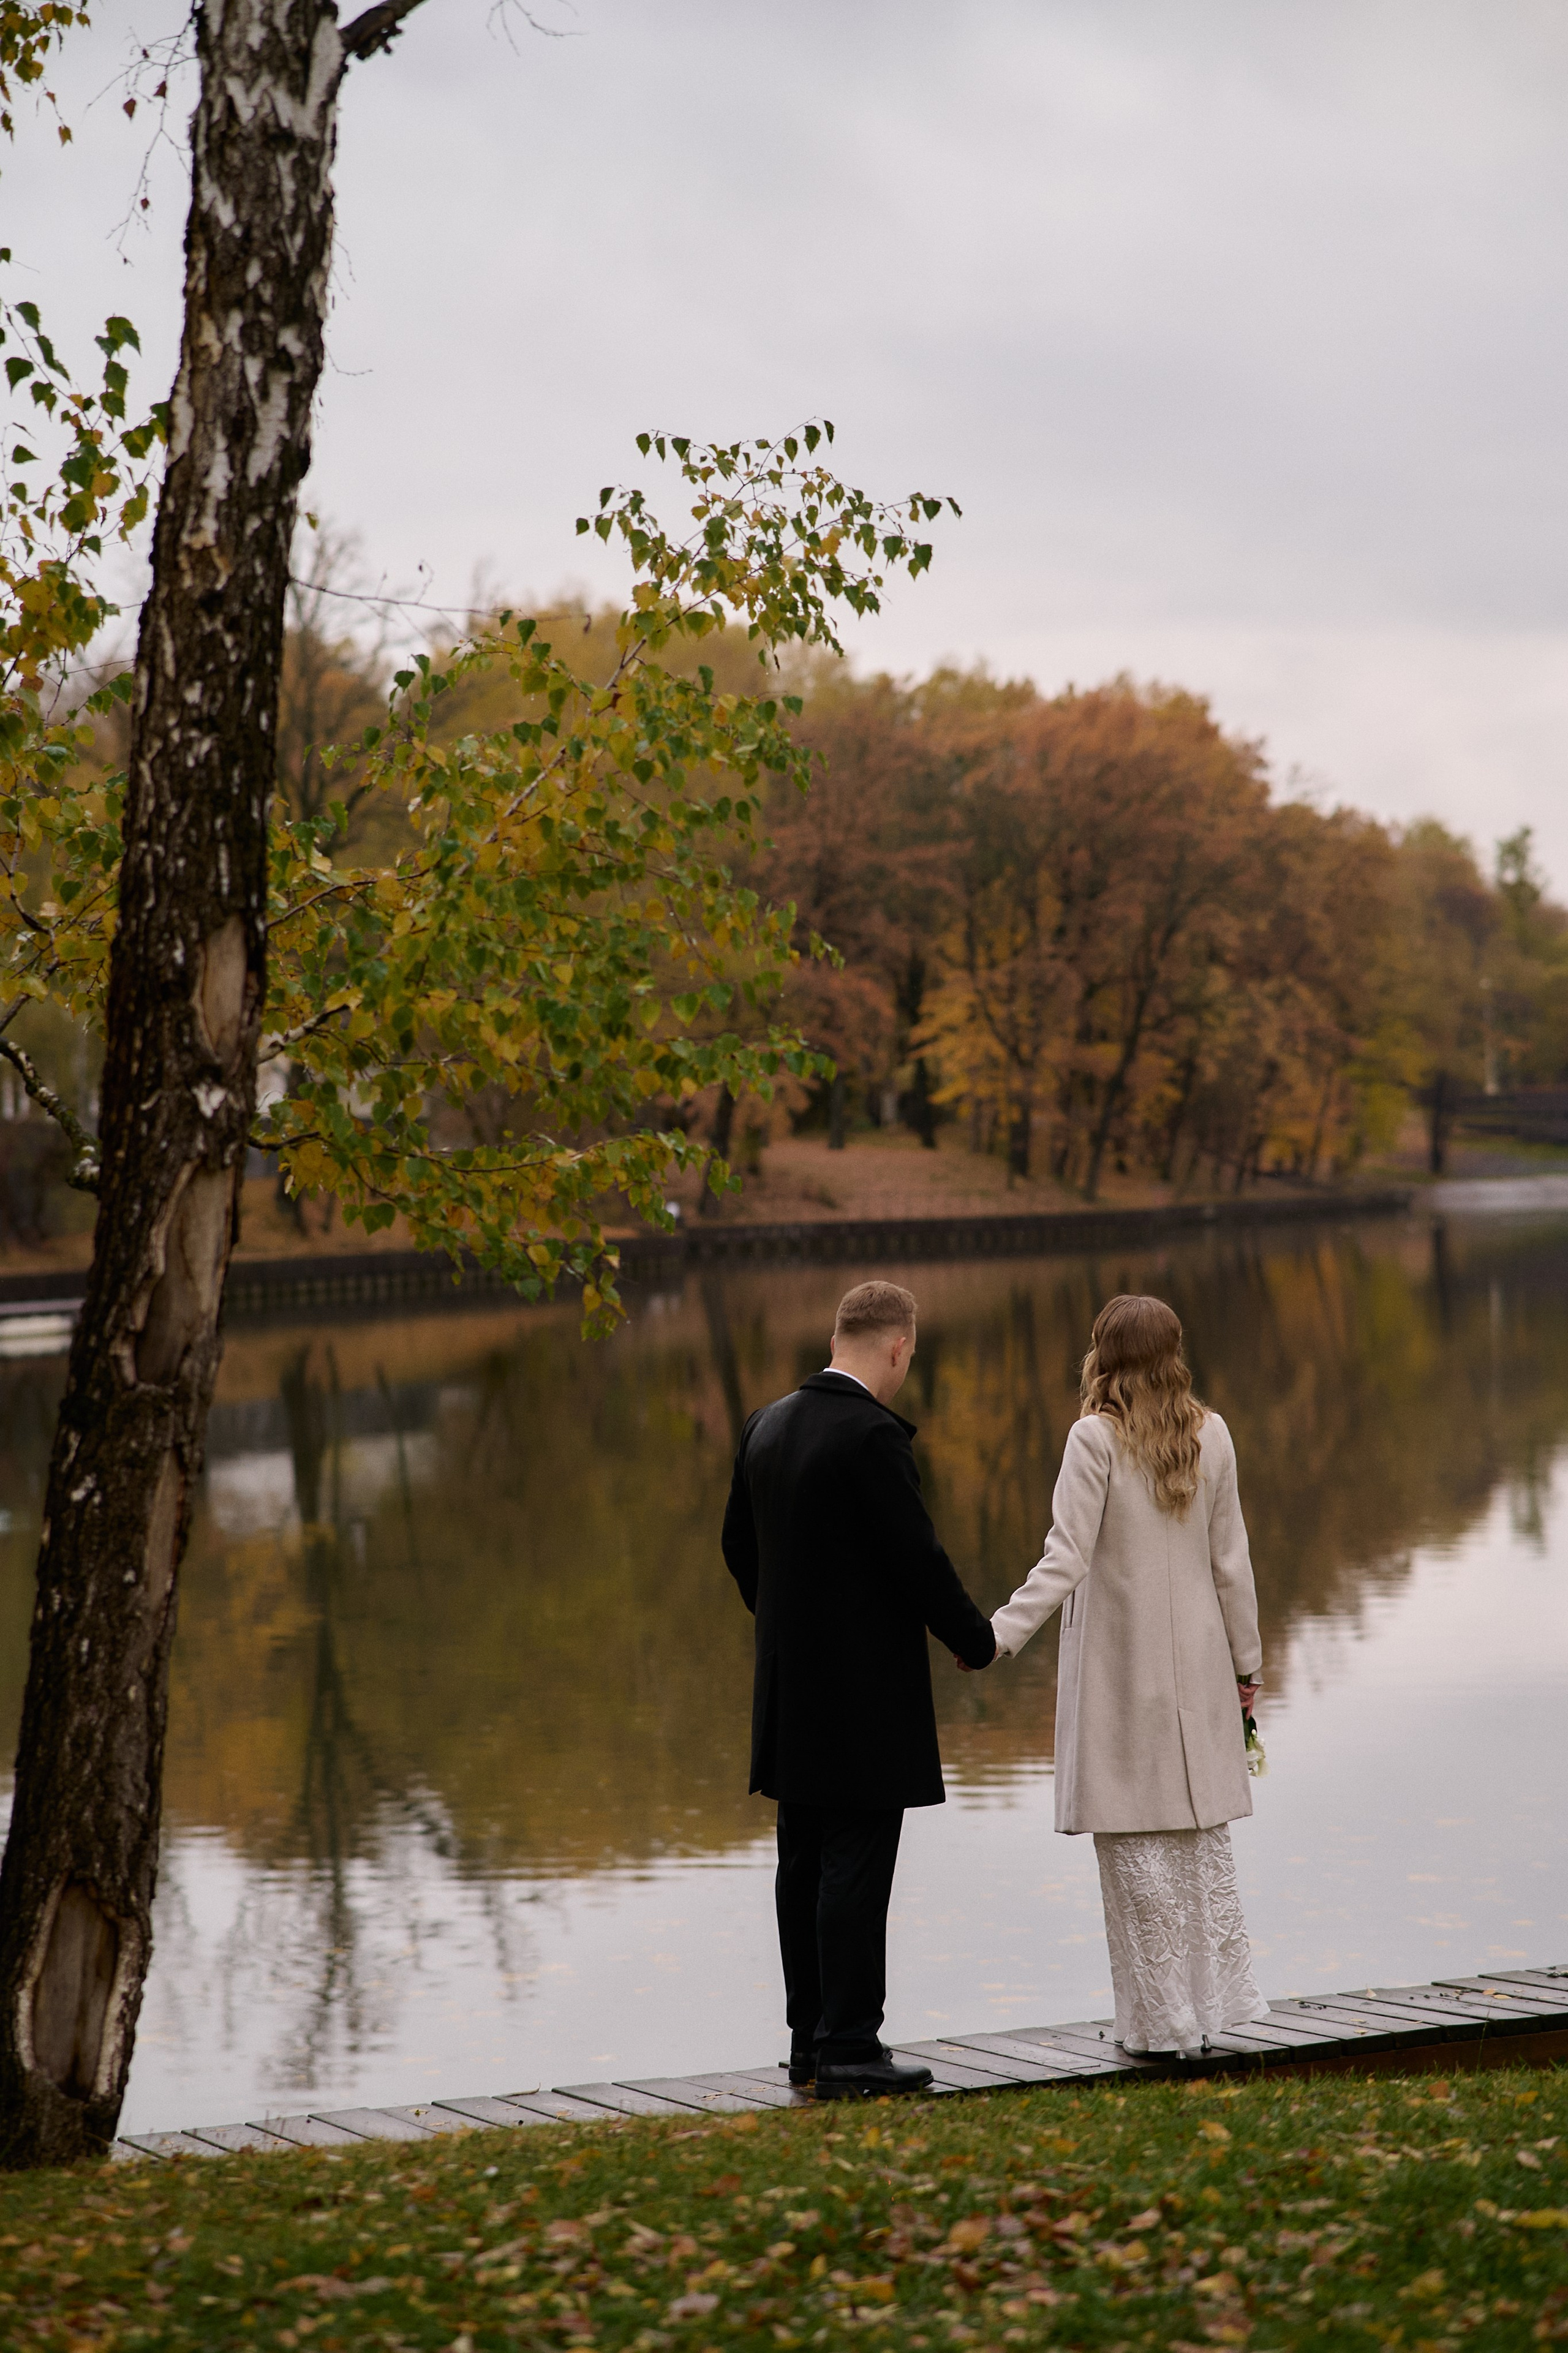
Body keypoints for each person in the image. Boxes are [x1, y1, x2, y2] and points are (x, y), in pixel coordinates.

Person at [722, 1278, 997, 2099]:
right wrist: (975, 1641)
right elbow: (917, 1559)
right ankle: (850, 2046)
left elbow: (741, 1550)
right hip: (862, 1697)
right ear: (898, 1347)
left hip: (786, 1687)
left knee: (801, 1862)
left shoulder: (763, 1424)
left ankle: (808, 2042)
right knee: (854, 1863)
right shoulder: (871, 1436)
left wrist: (789, 1627)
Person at [982, 1292, 1269, 2056]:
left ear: (1102, 1354)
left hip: (1121, 1669)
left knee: (1136, 1852)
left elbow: (1064, 1556)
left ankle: (1158, 2025)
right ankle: (1203, 2014)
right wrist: (1248, 1666)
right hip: (1200, 1668)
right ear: (1173, 1352)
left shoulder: (1094, 1438)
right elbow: (1231, 1563)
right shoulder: (1212, 1433)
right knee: (1191, 1844)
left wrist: (997, 1634)